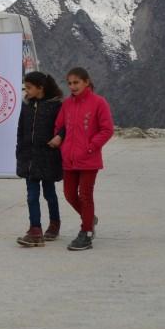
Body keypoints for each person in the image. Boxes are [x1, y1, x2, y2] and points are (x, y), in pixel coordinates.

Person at [48, 67, 114, 251]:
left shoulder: (99, 102)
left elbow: (107, 129)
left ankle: (86, 232)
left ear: (86, 82)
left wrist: (91, 147)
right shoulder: (67, 104)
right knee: (69, 195)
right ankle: (89, 218)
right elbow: (59, 127)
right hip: (69, 159)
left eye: (76, 82)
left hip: (88, 159)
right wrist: (61, 143)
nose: (72, 86)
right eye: (69, 83)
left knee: (85, 196)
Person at [16, 72, 64, 247]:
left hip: (48, 157)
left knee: (49, 193)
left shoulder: (56, 106)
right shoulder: (27, 105)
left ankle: (54, 223)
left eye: (29, 87)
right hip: (29, 158)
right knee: (31, 195)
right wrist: (19, 151)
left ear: (40, 88)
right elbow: (21, 129)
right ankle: (35, 229)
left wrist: (59, 137)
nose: (26, 91)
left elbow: (65, 127)